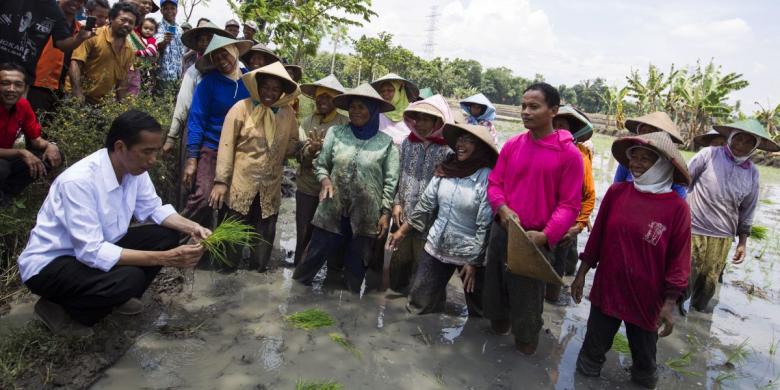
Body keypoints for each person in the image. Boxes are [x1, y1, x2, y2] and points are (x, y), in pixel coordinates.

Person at [17, 110, 211, 337]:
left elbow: (153, 209)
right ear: (120, 147)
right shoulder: (79, 181)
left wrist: (193, 227)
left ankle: (116, 297)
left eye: (155, 151)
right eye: (146, 152)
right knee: (130, 278)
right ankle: (62, 310)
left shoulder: (135, 171)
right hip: (52, 264)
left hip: (95, 249)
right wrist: (165, 258)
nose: (152, 160)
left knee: (166, 236)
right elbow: (91, 251)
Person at [572, 132, 692, 389]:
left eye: (645, 159)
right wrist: (581, 274)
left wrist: (669, 303)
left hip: (647, 297)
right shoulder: (617, 193)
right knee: (590, 355)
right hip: (608, 288)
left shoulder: (677, 208)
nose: (636, 164)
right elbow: (597, 238)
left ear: (662, 164)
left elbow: (679, 260)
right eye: (633, 157)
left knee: (644, 365)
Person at [482, 83, 583, 355]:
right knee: (495, 300)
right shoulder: (513, 145)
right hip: (503, 231)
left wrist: (546, 235)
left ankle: (525, 351)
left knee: (527, 310)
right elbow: (495, 183)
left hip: (534, 239)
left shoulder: (569, 154)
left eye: (533, 106)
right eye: (523, 106)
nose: (525, 112)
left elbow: (569, 205)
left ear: (553, 111)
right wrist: (502, 208)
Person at [293, 83, 400, 292]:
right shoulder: (336, 133)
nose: (355, 111)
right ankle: (294, 299)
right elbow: (321, 164)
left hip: (365, 216)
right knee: (309, 263)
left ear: (373, 111)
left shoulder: (387, 144)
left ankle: (346, 307)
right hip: (331, 209)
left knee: (354, 271)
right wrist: (325, 180)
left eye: (361, 107)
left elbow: (390, 182)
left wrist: (385, 212)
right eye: (352, 107)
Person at [388, 122, 497, 315]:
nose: (461, 144)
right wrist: (401, 232)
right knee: (418, 306)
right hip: (437, 244)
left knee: (480, 313)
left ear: (480, 147)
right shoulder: (446, 169)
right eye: (459, 139)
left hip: (470, 251)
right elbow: (425, 204)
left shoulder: (486, 177)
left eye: (468, 140)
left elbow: (485, 224)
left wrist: (474, 261)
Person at [209, 62, 300, 272]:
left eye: (275, 89)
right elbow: (226, 145)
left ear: (282, 92)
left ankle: (257, 270)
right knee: (232, 235)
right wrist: (221, 181)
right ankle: (226, 270)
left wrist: (306, 149)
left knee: (263, 237)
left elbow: (291, 146)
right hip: (241, 184)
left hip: (270, 187)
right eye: (265, 87)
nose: (269, 93)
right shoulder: (241, 108)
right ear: (257, 87)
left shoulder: (287, 114)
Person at [683, 119, 777, 313]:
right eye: (738, 139)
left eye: (748, 142)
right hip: (693, 228)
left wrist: (742, 242)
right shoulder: (709, 154)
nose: (741, 145)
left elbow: (748, 209)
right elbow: (683, 181)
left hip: (723, 235)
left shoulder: (752, 173)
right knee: (683, 277)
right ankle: (673, 317)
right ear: (730, 137)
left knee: (708, 283)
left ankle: (697, 319)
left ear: (755, 147)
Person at [386, 94, 454, 294]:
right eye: (418, 119)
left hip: (430, 219)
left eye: (426, 120)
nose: (421, 124)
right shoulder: (407, 143)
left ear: (437, 122)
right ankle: (395, 295)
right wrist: (396, 203)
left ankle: (418, 298)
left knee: (422, 263)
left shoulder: (447, 150)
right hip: (403, 211)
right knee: (399, 261)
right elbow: (398, 174)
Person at [182, 36, 252, 230]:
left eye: (225, 54)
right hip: (212, 147)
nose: (222, 61)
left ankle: (218, 243)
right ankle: (177, 235)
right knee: (203, 197)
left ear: (235, 51)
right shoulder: (209, 83)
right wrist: (192, 159)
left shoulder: (251, 81)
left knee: (232, 203)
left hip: (241, 151)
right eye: (216, 57)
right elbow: (197, 120)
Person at [294, 74, 350, 266]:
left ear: (336, 100)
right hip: (307, 186)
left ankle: (330, 273)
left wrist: (326, 149)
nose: (323, 100)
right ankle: (299, 270)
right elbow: (299, 157)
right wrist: (311, 150)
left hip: (334, 189)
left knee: (331, 234)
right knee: (303, 232)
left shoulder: (344, 124)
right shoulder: (306, 122)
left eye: (328, 96)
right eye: (320, 96)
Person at [162, 22, 232, 157]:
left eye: (209, 39)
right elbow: (183, 104)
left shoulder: (233, 67)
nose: (205, 43)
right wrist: (171, 137)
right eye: (201, 40)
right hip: (196, 128)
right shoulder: (193, 71)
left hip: (226, 131)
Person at [548, 105, 596, 301]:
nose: (557, 129)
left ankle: (552, 301)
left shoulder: (580, 155)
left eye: (562, 126)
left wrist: (579, 225)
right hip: (540, 220)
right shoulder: (541, 148)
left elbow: (589, 195)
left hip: (565, 223)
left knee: (557, 265)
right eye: (554, 124)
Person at [0, 63, 63, 205]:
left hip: (7, 156)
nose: (11, 89)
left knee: (50, 157)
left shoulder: (23, 105)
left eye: (18, 85)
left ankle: (7, 195)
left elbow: (36, 140)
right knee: (2, 168)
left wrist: (51, 145)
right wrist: (21, 152)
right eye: (5, 83)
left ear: (25, 88)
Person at [0, 0, 93, 83]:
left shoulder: (55, 11)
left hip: (23, 77)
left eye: (81, 1)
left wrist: (79, 38)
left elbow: (62, 43)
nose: (76, 3)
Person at [28, 0, 90, 116]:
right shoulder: (43, 19)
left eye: (81, 1)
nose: (76, 3)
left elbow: (75, 61)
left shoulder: (80, 30)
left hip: (60, 89)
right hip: (38, 84)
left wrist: (76, 88)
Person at [69, 2, 138, 104]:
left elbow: (122, 82)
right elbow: (75, 63)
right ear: (111, 19)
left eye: (131, 22)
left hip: (101, 104)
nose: (127, 24)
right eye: (123, 20)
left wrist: (122, 105)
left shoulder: (130, 51)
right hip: (78, 98)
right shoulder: (92, 36)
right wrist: (77, 91)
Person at [613, 112, 687, 198]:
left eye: (652, 133)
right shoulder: (630, 160)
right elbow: (616, 188)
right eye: (643, 132)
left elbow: (680, 196)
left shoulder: (669, 166)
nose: (647, 136)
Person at [371, 73, 419, 145]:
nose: (385, 93)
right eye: (382, 91)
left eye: (389, 90)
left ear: (399, 92)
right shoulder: (376, 112)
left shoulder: (412, 112)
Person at [155, 0, 185, 89]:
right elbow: (156, 47)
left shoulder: (180, 30)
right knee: (162, 97)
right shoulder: (157, 27)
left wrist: (182, 72)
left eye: (172, 8)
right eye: (166, 8)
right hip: (163, 76)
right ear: (161, 10)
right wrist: (164, 42)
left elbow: (181, 53)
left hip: (178, 75)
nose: (169, 11)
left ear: (176, 10)